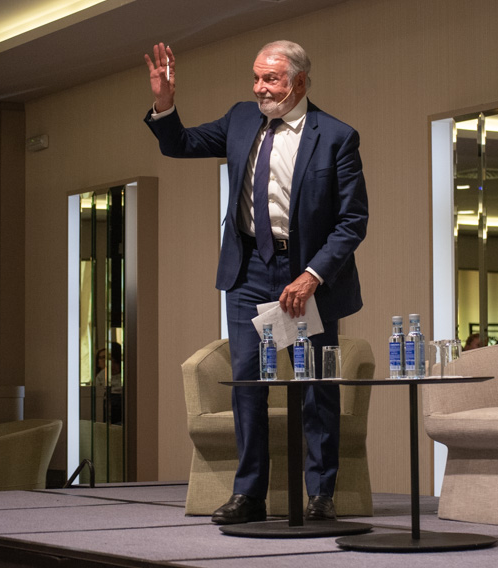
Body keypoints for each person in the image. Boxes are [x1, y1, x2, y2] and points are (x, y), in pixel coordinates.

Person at [143, 40, 368, 524]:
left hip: (305, 274)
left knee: (315, 383)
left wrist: (311, 276)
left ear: (299, 82)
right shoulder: (242, 119)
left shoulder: (336, 136)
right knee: (247, 381)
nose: (259, 88)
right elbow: (180, 144)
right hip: (248, 271)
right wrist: (164, 104)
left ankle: (321, 494)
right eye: (256, 77)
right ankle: (248, 495)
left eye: (271, 79)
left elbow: (352, 221)